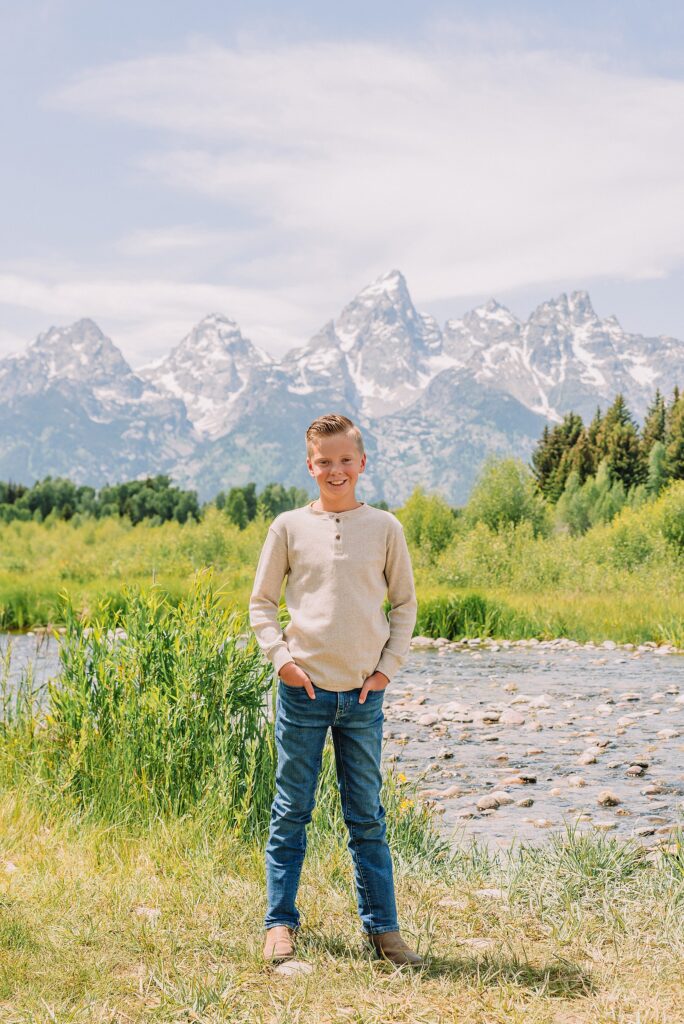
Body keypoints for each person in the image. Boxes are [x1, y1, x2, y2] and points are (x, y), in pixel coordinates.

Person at [248, 412, 422, 968]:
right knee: (291, 810)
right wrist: (283, 663)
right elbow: (260, 604)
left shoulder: (386, 528)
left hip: (364, 697)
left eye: (346, 459)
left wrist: (386, 670)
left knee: (366, 815)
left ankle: (384, 931)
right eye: (325, 461)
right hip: (304, 693)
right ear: (310, 465)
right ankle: (279, 924)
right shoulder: (288, 527)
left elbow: (405, 605)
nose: (336, 469)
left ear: (362, 462)